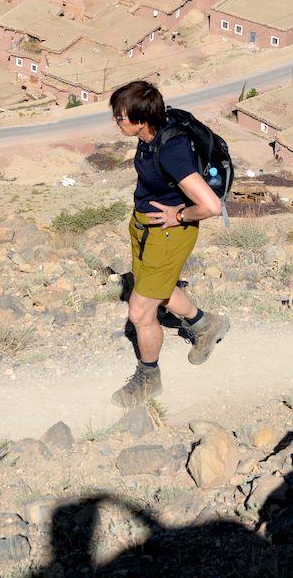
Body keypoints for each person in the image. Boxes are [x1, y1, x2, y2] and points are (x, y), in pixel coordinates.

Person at [109, 80, 229, 407]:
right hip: (146, 227)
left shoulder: (172, 151)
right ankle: (206, 325)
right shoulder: (153, 131)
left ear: (141, 119)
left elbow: (211, 206)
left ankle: (149, 377)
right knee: (157, 289)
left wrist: (178, 216)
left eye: (120, 117)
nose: (116, 121)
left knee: (140, 312)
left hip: (167, 233)